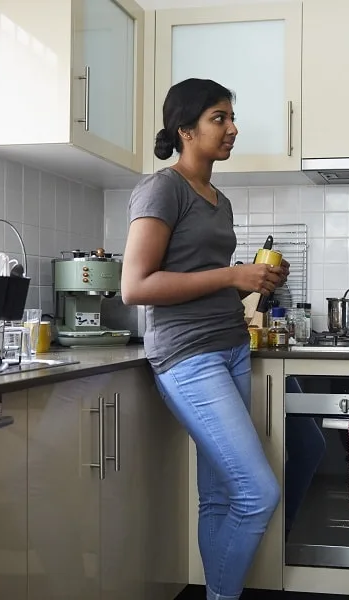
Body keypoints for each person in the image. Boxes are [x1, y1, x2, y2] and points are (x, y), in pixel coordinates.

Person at [121, 78, 289, 600]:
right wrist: (231, 276)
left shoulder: (218, 198)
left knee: (220, 496)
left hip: (231, 346)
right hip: (187, 356)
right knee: (259, 493)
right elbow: (135, 286)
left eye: (230, 117)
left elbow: (207, 272)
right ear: (185, 129)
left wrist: (256, 280)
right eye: (219, 118)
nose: (232, 128)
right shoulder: (161, 188)